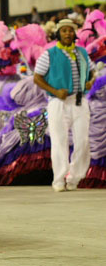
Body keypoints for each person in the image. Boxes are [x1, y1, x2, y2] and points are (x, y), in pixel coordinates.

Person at [34, 19, 95, 192]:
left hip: (80, 101)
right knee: (59, 141)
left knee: (82, 140)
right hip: (58, 102)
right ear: (58, 34)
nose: (67, 33)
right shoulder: (49, 54)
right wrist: (54, 90)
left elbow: (92, 73)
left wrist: (90, 82)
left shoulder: (82, 52)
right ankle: (59, 179)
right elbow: (37, 77)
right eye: (64, 31)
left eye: (70, 30)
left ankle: (74, 177)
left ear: (75, 33)